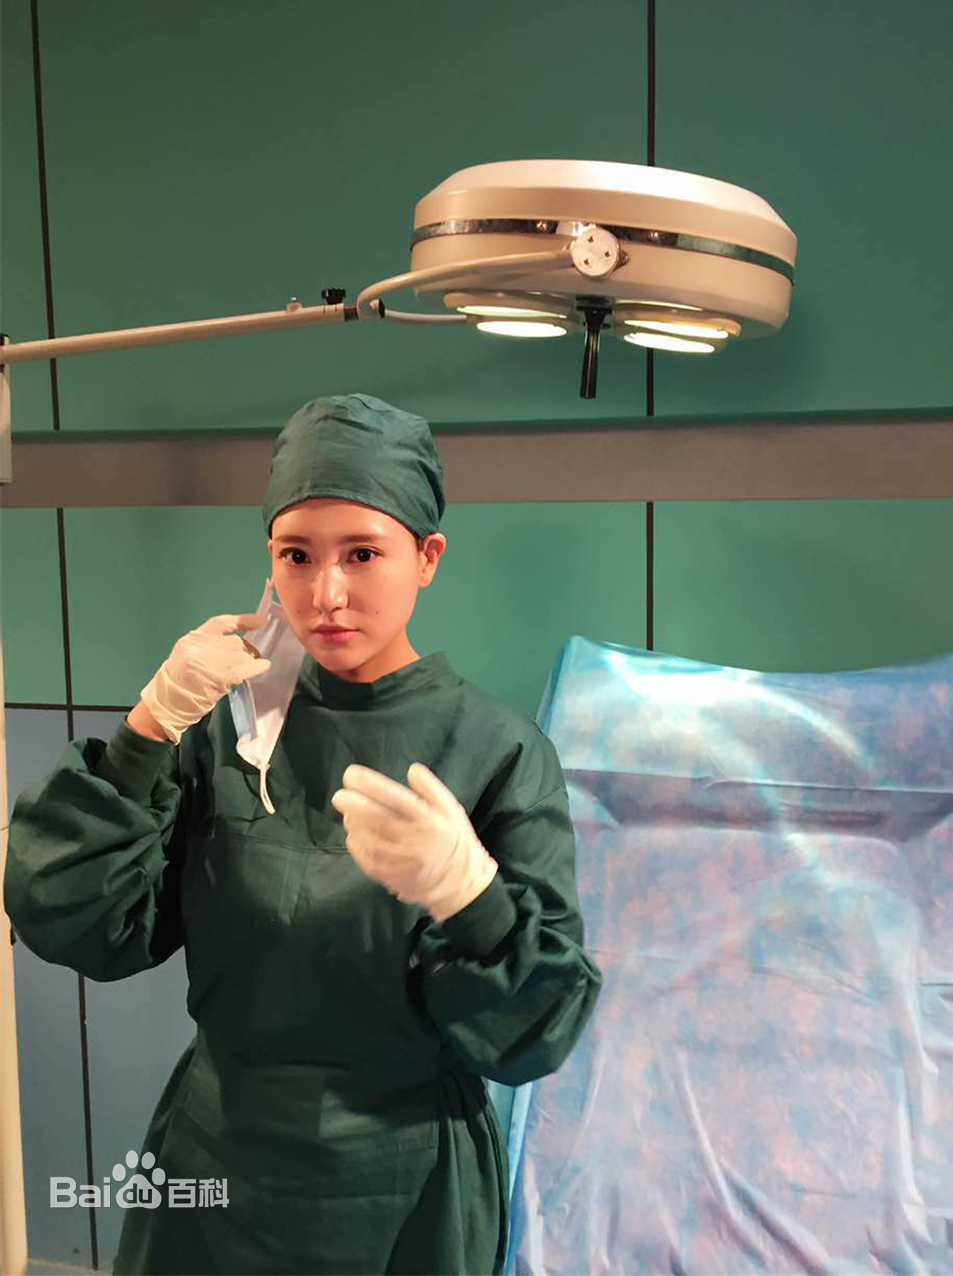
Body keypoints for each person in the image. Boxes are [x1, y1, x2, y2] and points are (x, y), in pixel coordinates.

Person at [4, 392, 603, 1276]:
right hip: (216, 1165)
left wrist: (472, 898)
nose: (326, 593)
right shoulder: (229, 727)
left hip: (403, 1189)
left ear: (427, 557)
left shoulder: (496, 752)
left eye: (363, 553)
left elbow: (535, 1035)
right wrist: (147, 730)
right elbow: (77, 921)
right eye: (297, 554)